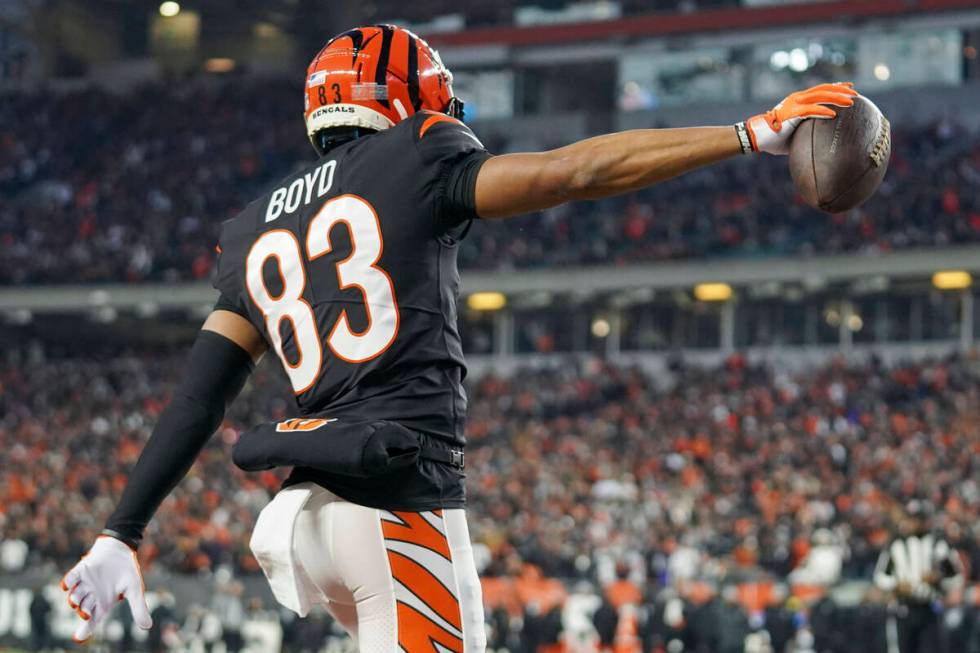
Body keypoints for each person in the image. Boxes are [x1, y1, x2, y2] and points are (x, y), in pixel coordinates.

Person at [57, 22, 857, 652]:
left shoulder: (250, 228)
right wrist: (749, 132)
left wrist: (120, 528)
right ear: (407, 100)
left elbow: (199, 394)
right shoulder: (417, 154)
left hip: (303, 511)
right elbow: (572, 172)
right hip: (394, 500)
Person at [873, 514, 965, 653]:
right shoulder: (897, 545)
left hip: (930, 608)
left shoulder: (937, 544)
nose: (914, 523)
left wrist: (938, 578)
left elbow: (956, 576)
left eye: (918, 519)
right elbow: (879, 576)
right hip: (903, 608)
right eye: (912, 519)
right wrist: (896, 584)